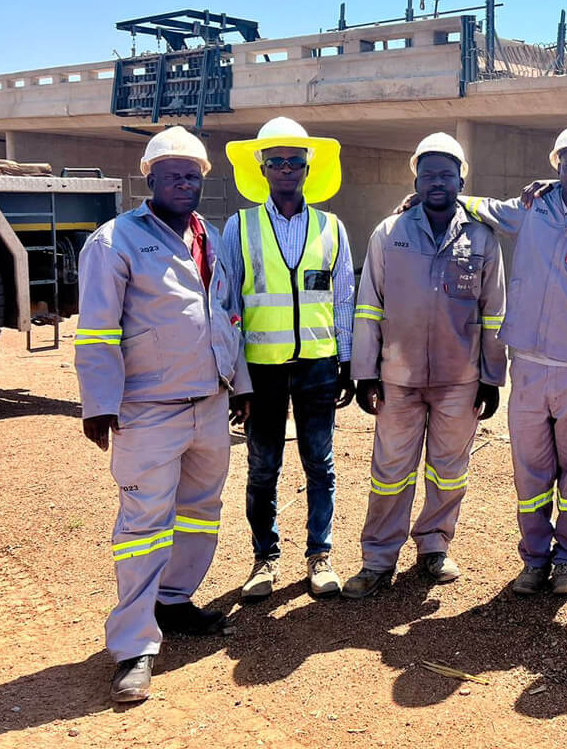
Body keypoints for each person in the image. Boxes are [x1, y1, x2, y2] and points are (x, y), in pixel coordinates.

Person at [75, 126, 251, 703]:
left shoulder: (212, 236)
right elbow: (98, 331)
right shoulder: (115, 241)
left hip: (210, 404)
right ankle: (133, 646)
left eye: (192, 173)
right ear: (147, 177)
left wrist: (239, 383)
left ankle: (174, 602)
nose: (183, 181)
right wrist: (99, 403)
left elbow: (228, 314)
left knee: (200, 511)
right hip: (147, 410)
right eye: (171, 173)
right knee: (143, 527)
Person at [459, 124, 567, 595]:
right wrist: (438, 198)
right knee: (530, 468)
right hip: (529, 363)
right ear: (557, 166)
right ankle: (534, 558)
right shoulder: (530, 210)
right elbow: (479, 205)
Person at [341, 133, 506, 598]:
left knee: (448, 469)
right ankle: (377, 558)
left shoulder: (481, 238)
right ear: (416, 177)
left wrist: (492, 377)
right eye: (429, 173)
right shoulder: (388, 234)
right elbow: (369, 305)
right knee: (390, 471)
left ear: (460, 180)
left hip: (460, 379)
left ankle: (434, 545)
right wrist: (365, 372)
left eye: (447, 174)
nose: (438, 181)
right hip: (398, 377)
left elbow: (494, 310)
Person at [222, 117, 355, 601]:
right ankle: (265, 558)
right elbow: (226, 304)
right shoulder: (240, 227)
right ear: (261, 168)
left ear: (307, 168)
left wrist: (346, 361)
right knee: (263, 467)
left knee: (320, 465)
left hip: (319, 367)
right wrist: (234, 376)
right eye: (274, 161)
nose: (284, 169)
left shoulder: (331, 227)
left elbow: (343, 298)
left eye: (293, 161)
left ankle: (320, 556)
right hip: (262, 370)